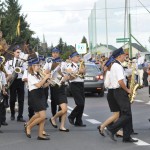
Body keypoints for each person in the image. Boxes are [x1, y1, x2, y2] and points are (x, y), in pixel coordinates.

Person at [105, 47, 138, 143]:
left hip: (118, 91)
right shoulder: (117, 66)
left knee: (126, 114)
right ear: (119, 56)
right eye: (124, 55)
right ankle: (111, 129)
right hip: (120, 91)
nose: (125, 57)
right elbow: (120, 81)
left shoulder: (116, 65)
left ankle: (126, 137)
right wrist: (128, 90)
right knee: (126, 114)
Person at [44, 48, 69, 131]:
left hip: (62, 85)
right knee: (56, 103)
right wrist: (51, 69)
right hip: (54, 85)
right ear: (51, 54)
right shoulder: (49, 63)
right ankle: (53, 117)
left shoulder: (63, 63)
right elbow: (45, 72)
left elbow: (68, 73)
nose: (55, 54)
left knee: (64, 108)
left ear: (59, 54)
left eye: (56, 53)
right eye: (53, 53)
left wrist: (66, 76)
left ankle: (61, 126)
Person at [25, 57, 50, 140]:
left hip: (41, 94)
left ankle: (40, 135)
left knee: (40, 115)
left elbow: (43, 85)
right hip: (35, 95)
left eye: (39, 65)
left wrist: (49, 81)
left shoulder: (38, 74)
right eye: (37, 65)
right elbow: (38, 85)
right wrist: (45, 78)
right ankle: (29, 126)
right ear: (32, 66)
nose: (39, 67)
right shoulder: (30, 75)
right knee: (42, 116)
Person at [4, 45, 26, 122]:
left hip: (20, 81)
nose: (18, 54)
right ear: (14, 53)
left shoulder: (23, 62)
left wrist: (20, 70)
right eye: (17, 52)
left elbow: (26, 71)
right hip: (12, 81)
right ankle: (13, 114)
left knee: (21, 100)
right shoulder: (9, 62)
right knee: (12, 99)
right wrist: (10, 74)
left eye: (20, 52)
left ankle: (20, 116)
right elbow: (6, 69)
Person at [66, 51, 86, 127]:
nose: (79, 58)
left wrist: (83, 68)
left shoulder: (79, 64)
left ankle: (78, 121)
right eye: (77, 56)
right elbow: (70, 77)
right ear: (73, 58)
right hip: (74, 84)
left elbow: (84, 73)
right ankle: (71, 116)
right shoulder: (69, 66)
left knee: (82, 103)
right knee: (79, 103)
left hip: (81, 83)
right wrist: (78, 71)